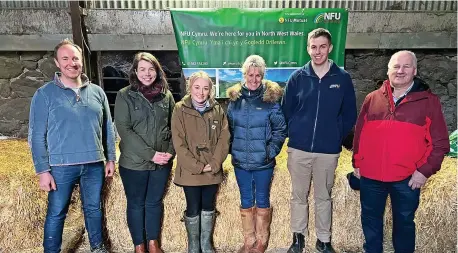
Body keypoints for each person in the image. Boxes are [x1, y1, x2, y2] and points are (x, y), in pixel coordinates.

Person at [352, 50, 450, 253]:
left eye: (406, 66)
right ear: (388, 71)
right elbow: (359, 134)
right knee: (370, 223)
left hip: (406, 178)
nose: (400, 71)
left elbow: (440, 143)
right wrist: (357, 162)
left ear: (414, 70)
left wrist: (424, 171)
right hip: (371, 176)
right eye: (396, 66)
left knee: (404, 224)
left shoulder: (429, 102)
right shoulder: (372, 99)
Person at [28, 39, 116, 253]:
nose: (71, 63)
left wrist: (111, 157)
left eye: (75, 58)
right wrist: (43, 171)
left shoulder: (97, 92)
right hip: (61, 165)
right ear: (57, 63)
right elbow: (36, 135)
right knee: (57, 211)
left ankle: (97, 247)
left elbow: (108, 128)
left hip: (94, 163)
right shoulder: (44, 94)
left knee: (94, 209)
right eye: (65, 58)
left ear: (81, 61)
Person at [281, 28, 357, 253]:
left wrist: (334, 135)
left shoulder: (342, 78)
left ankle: (323, 240)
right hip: (299, 150)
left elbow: (350, 114)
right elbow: (286, 111)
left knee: (323, 196)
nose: (317, 51)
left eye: (322, 46)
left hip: (328, 151)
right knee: (298, 196)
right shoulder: (297, 77)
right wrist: (295, 134)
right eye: (313, 47)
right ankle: (298, 238)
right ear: (308, 48)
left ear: (330, 48)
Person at [114, 52, 175, 253]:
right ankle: (139, 245)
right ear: (135, 71)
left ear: (157, 72)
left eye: (151, 69)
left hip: (162, 163)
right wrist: (151, 154)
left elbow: (175, 126)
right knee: (136, 203)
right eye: (142, 69)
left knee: (154, 202)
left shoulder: (166, 95)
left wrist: (170, 152)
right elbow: (124, 129)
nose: (147, 74)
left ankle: (153, 243)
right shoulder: (125, 95)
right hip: (134, 163)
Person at [226, 55, 287, 253]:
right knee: (245, 200)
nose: (254, 79)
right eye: (250, 75)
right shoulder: (235, 100)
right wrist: (232, 150)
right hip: (241, 163)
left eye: (258, 75)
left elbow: (280, 130)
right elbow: (228, 129)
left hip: (263, 163)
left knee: (262, 199)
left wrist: (270, 152)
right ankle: (249, 241)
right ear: (244, 75)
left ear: (263, 76)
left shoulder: (270, 101)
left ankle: (261, 242)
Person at [171, 71, 230, 253]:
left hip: (212, 170)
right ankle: (193, 246)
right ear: (190, 87)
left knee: (208, 205)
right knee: (193, 206)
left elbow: (224, 137)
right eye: (197, 87)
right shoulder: (180, 109)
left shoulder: (217, 109)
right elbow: (178, 143)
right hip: (191, 171)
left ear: (210, 90)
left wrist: (214, 163)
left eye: (205, 88)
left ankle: (206, 244)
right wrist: (197, 166)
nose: (201, 92)